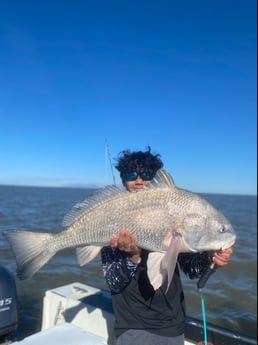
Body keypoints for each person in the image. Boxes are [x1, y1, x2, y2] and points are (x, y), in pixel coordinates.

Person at [101, 146, 233, 345]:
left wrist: (209, 257)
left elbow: (191, 269)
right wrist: (133, 256)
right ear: (122, 180)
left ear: (155, 179)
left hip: (173, 323)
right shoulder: (112, 218)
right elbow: (114, 281)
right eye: (131, 175)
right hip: (134, 325)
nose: (139, 181)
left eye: (146, 174)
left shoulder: (173, 212)